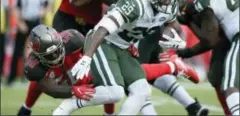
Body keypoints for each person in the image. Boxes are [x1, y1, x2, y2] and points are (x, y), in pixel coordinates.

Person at [58, 0, 191, 115]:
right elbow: (104, 27)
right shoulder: (136, 2)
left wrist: (179, 42)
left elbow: (175, 28)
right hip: (104, 42)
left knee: (142, 92)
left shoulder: (168, 7)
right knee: (115, 92)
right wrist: (87, 56)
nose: (167, 1)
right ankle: (69, 105)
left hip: (124, 47)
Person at [17, 24, 199, 116]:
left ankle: (172, 66)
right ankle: (25, 109)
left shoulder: (72, 39)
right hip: (63, 75)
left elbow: (100, 40)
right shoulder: (33, 67)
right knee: (42, 82)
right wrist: (73, 90)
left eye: (57, 49)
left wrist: (124, 48)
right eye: (50, 54)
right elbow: (50, 89)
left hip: (77, 64)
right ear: (38, 55)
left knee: (112, 76)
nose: (56, 55)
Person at [177, 0, 239, 115]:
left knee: (231, 86)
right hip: (229, 35)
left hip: (235, 35)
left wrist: (189, 21)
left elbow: (211, 39)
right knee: (217, 76)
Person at [7, 0, 49, 85]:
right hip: (24, 22)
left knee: (38, 51)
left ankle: (38, 77)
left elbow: (46, 6)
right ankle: (11, 78)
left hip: (36, 23)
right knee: (18, 50)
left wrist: (43, 13)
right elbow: (16, 8)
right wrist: (19, 23)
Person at [0, 0, 9, 77]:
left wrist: (7, 26)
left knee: (2, 53)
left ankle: (1, 74)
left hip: (1, 29)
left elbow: (6, 11)